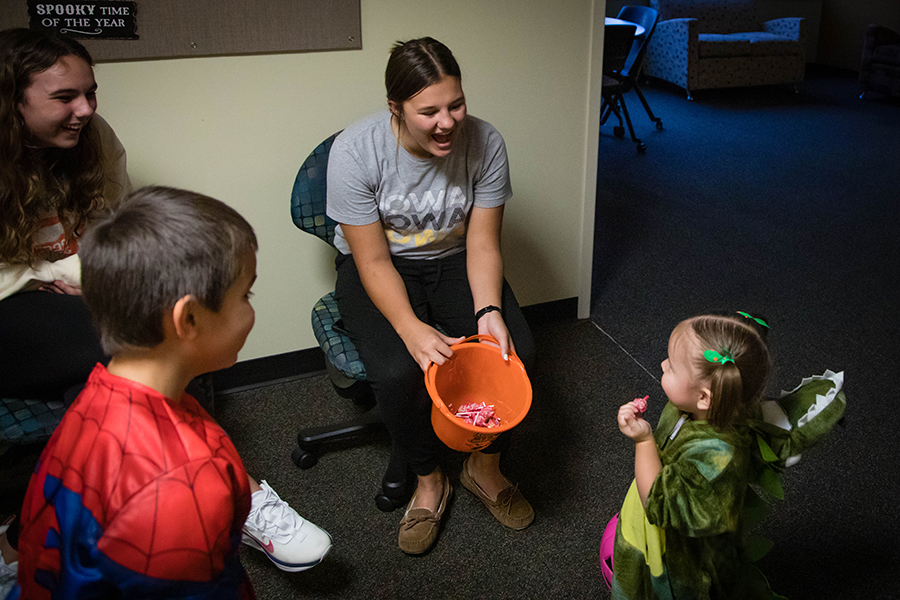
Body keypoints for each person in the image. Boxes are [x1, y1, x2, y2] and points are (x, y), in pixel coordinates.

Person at [6, 187, 333, 600]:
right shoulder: (184, 489)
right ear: (189, 318)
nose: (251, 310)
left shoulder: (96, 394)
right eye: (245, 295)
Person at [326, 36, 536, 555]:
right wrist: (410, 328)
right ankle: (428, 477)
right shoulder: (356, 151)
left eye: (456, 105)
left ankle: (483, 466)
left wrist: (488, 310)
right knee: (399, 370)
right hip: (380, 265)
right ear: (395, 108)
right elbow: (371, 259)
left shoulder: (486, 143)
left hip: (456, 259)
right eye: (429, 111)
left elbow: (484, 240)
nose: (448, 122)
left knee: (515, 355)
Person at [610, 312, 848, 599]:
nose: (662, 364)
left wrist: (644, 440)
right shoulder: (706, 407)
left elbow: (660, 505)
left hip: (677, 561)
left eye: (671, 366)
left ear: (705, 398)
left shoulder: (718, 458)